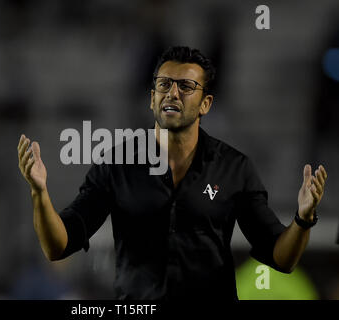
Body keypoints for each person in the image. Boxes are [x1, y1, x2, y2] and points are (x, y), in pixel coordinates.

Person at [17, 46, 327, 300]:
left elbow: (281, 257)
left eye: (186, 86)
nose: (172, 93)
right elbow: (58, 246)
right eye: (164, 84)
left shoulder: (234, 168)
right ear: (152, 98)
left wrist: (303, 218)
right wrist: (39, 192)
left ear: (205, 104)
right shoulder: (116, 166)